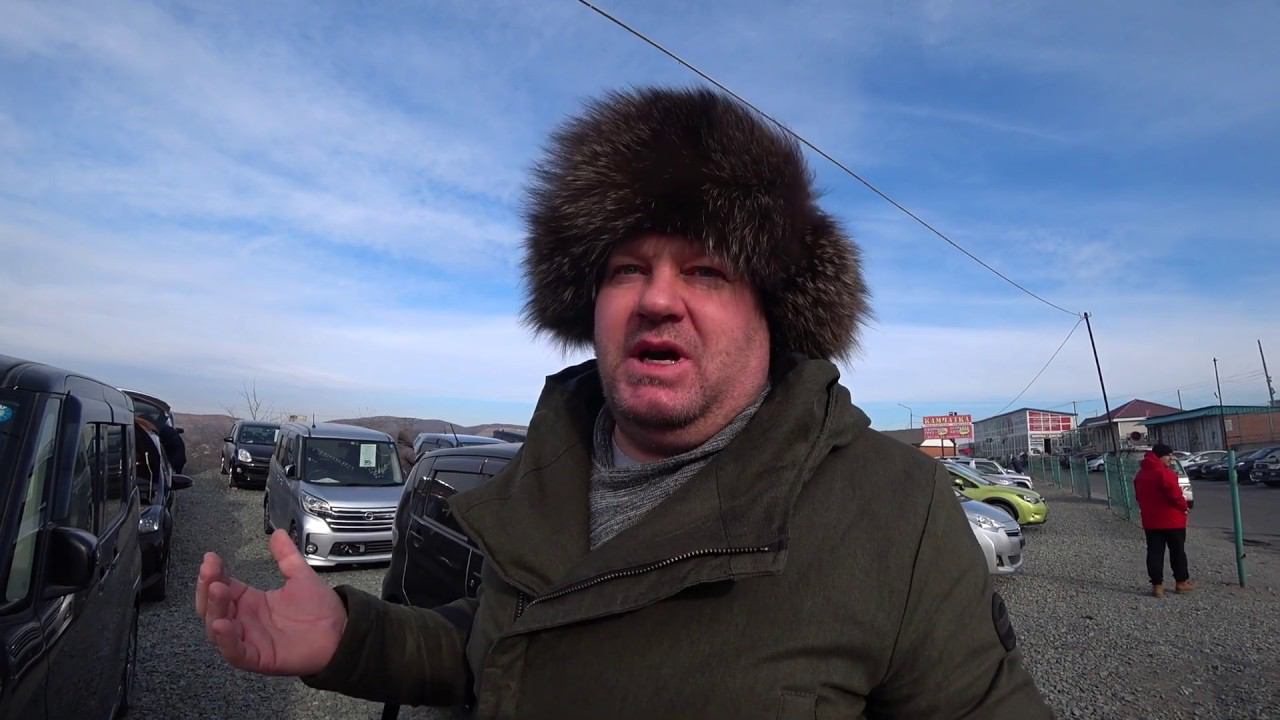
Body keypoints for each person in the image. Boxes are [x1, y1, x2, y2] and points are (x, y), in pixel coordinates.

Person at [197, 87, 1050, 717]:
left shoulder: (893, 512)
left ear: (772, 313)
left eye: (705, 271)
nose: (657, 299)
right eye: (627, 269)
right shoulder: (550, 467)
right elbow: (502, 649)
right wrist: (350, 638)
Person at [1134, 443, 1193, 597]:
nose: (1171, 458)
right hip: (1172, 520)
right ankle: (1181, 582)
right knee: (1177, 551)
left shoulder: (1141, 474)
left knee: (1154, 552)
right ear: (1159, 456)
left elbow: (1138, 496)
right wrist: (1184, 507)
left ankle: (1157, 585)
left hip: (1151, 521)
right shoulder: (1165, 473)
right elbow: (1175, 496)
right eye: (1168, 455)